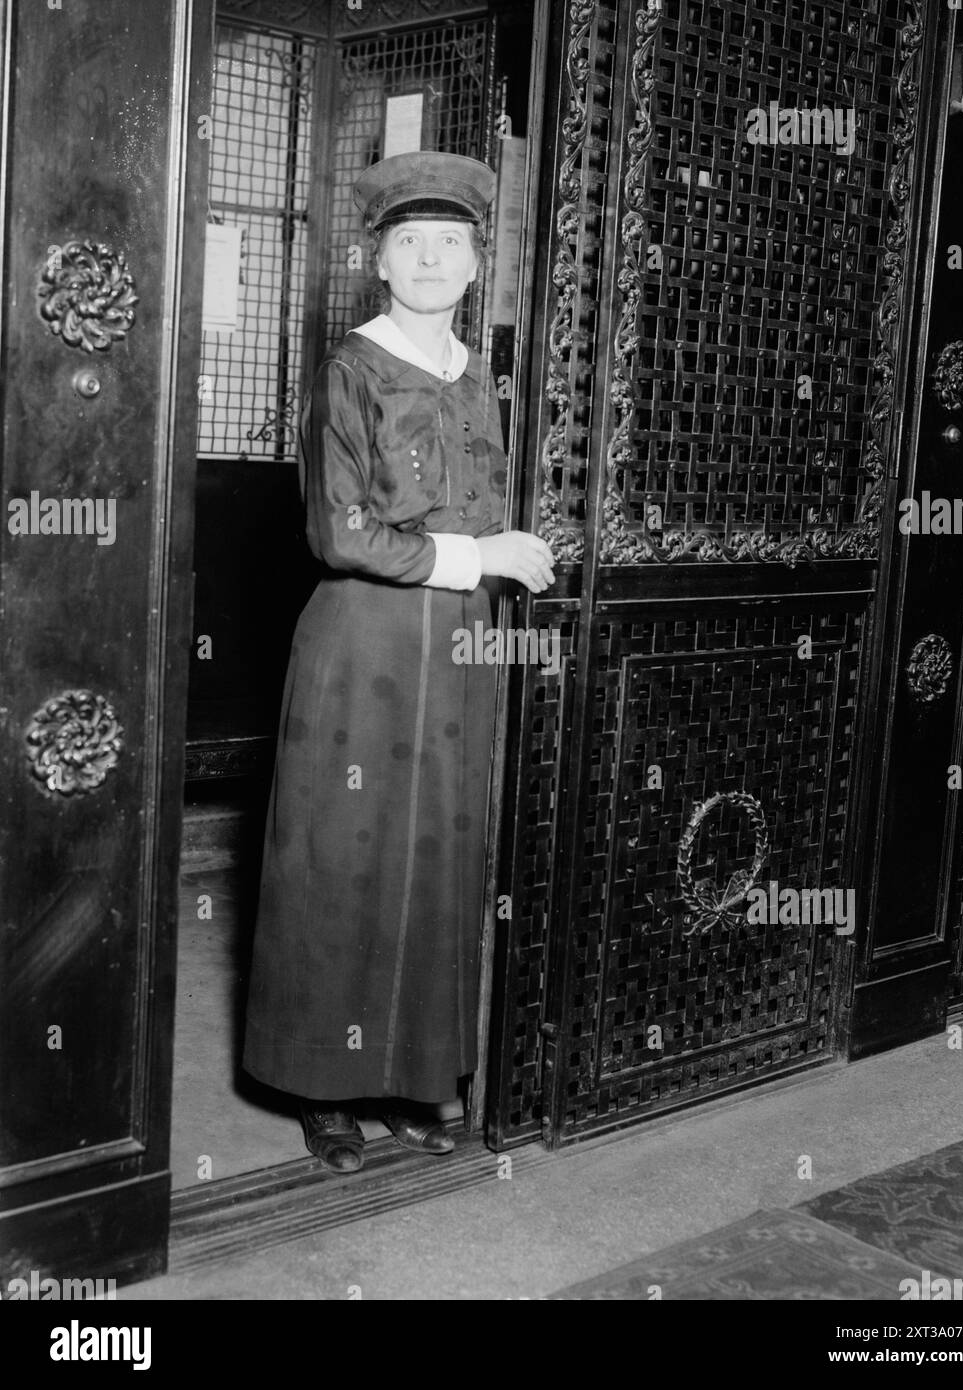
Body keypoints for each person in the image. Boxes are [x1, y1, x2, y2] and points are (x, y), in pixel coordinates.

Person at [242, 152, 555, 1173]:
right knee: (342, 859)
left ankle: (414, 1079)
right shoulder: (350, 367)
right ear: (376, 259)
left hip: (459, 650)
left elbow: (491, 509)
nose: (429, 259)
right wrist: (482, 556)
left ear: (474, 267)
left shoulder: (477, 377)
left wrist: (511, 561)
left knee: (437, 859)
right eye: (408, 243)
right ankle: (316, 1090)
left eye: (449, 244)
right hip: (363, 648)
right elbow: (340, 535)